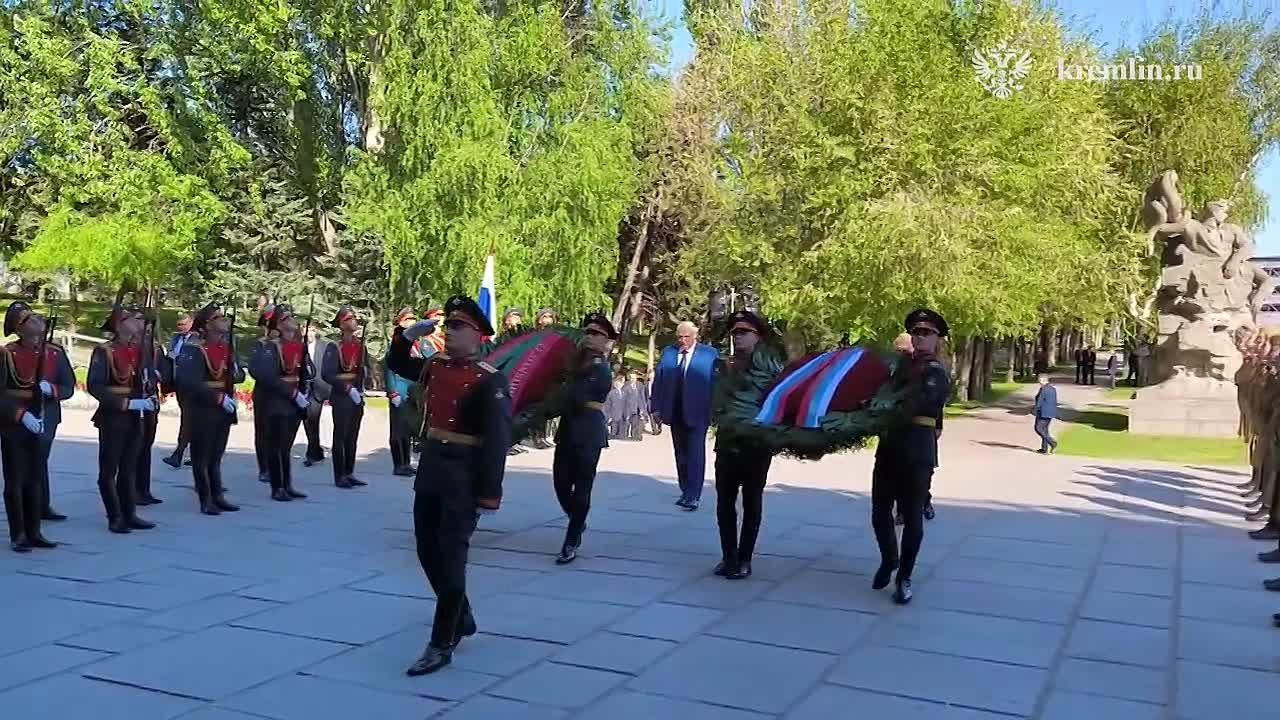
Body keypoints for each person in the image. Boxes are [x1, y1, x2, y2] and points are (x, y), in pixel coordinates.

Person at [386, 295, 512, 677]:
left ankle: (441, 643)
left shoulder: (490, 380)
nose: (450, 332)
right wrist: (407, 336)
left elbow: (497, 441)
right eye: (449, 326)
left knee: (452, 557)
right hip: (432, 470)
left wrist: (489, 494)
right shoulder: (436, 366)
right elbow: (397, 364)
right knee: (426, 550)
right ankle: (462, 611)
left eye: (458, 327)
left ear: (477, 335)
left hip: (464, 476)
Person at [871, 308, 950, 605]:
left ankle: (904, 577)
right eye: (916, 332)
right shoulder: (898, 368)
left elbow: (927, 404)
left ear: (937, 339)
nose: (919, 337)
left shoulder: (936, 371)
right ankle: (889, 558)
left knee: (913, 516)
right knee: (880, 511)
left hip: (917, 450)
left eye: (926, 333)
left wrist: (887, 404)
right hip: (890, 447)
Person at [711, 310, 783, 580]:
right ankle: (728, 556)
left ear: (758, 336)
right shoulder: (724, 366)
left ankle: (745, 558)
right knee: (724, 502)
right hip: (727, 442)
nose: (738, 337)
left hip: (756, 445)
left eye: (744, 332)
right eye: (735, 333)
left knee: (752, 502)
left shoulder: (770, 368)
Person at [1, 302, 66, 550]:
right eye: (27, 319)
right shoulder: (6, 354)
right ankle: (18, 534)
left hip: (40, 419)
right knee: (16, 480)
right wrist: (21, 415)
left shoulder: (50, 352)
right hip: (14, 424)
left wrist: (50, 391)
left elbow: (65, 385)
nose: (36, 320)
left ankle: (34, 531)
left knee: (35, 478)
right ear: (19, 330)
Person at [87, 305, 158, 534]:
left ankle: (129, 513)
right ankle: (115, 517)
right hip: (113, 417)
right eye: (131, 319)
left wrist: (147, 396)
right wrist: (126, 403)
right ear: (119, 325)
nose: (138, 323)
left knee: (129, 468)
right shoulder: (104, 351)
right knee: (109, 471)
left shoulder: (139, 350)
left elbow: (144, 379)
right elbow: (95, 385)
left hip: (136, 417)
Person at [553, 313, 616, 564]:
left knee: (582, 488)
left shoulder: (601, 368)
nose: (589, 337)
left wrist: (561, 388)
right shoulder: (574, 361)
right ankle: (577, 520)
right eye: (587, 332)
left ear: (606, 341)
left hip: (588, 433)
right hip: (568, 429)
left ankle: (571, 540)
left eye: (596, 334)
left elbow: (577, 395)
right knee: (560, 483)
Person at [173, 302, 243, 515]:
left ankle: (217, 495)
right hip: (202, 409)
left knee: (216, 455)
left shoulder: (226, 347)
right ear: (206, 325)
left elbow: (237, 376)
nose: (224, 320)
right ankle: (205, 499)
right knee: (201, 457)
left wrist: (235, 371)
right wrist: (217, 397)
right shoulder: (193, 348)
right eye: (218, 318)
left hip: (222, 409)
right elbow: (189, 381)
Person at [650, 320, 718, 510]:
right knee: (680, 454)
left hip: (698, 412)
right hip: (674, 410)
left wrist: (716, 409)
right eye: (679, 337)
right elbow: (659, 380)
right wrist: (655, 407)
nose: (683, 340)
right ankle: (685, 490)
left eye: (687, 337)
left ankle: (693, 495)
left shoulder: (709, 354)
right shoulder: (669, 353)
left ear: (695, 336)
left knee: (695, 453)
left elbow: (717, 383)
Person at [249, 304, 312, 502]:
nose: (292, 320)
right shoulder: (271, 346)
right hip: (276, 400)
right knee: (275, 446)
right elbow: (267, 375)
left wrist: (303, 392)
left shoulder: (298, 345)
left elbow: (305, 372)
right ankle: (277, 487)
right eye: (286, 318)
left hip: (293, 401)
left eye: (291, 316)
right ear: (278, 325)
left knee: (286, 446)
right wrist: (291, 393)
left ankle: (287, 484)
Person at [322, 306, 372, 488]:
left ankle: (349, 472)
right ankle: (339, 475)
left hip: (357, 394)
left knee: (352, 436)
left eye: (354, 318)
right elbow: (327, 373)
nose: (354, 321)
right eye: (349, 319)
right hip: (342, 396)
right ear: (342, 325)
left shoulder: (360, 345)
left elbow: (366, 367)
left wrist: (365, 376)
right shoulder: (334, 346)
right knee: (341, 436)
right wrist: (347, 388)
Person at [133, 317, 170, 507]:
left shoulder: (156, 349)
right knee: (134, 448)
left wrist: (160, 374)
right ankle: (131, 490)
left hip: (150, 402)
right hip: (134, 403)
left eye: (148, 332)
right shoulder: (132, 348)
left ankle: (144, 489)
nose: (146, 335)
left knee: (146, 445)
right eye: (143, 331)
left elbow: (165, 373)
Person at [385, 307, 419, 477]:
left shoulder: (415, 344)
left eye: (413, 319)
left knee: (407, 430)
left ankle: (406, 462)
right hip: (399, 391)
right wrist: (393, 392)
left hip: (411, 392)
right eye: (407, 320)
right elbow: (389, 369)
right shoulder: (397, 342)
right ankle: (398, 464)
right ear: (400, 323)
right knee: (397, 431)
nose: (411, 323)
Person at [163, 312, 196, 469]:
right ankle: (195, 454)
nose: (180, 328)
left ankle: (179, 453)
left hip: (192, 384)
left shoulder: (197, 339)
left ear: (191, 324)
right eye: (178, 325)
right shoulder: (176, 338)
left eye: (183, 325)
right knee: (189, 418)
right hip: (178, 383)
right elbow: (169, 357)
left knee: (188, 419)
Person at [251, 305, 276, 483]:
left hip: (284, 395)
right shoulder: (261, 344)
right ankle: (264, 468)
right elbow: (255, 370)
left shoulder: (289, 343)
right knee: (263, 432)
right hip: (265, 394)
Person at [303, 324, 329, 467]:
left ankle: (313, 452)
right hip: (304, 388)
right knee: (308, 421)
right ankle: (314, 450)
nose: (309, 333)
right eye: (307, 330)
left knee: (312, 419)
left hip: (319, 388)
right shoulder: (300, 346)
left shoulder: (324, 347)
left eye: (312, 330)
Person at [1033, 373, 1058, 454]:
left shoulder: (1043, 389)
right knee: (1045, 430)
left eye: (1040, 380)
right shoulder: (1052, 389)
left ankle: (1052, 442)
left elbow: (1040, 401)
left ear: (1044, 380)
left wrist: (1034, 409)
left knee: (1038, 428)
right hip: (1050, 412)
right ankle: (1044, 448)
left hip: (1042, 412)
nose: (1039, 382)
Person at [623, 370, 649, 440]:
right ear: (629, 378)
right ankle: (625, 434)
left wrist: (643, 408)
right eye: (631, 378)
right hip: (629, 406)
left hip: (638, 406)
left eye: (634, 378)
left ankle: (635, 435)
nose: (633, 379)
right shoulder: (626, 385)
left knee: (637, 422)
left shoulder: (640, 385)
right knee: (628, 421)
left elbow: (643, 396)